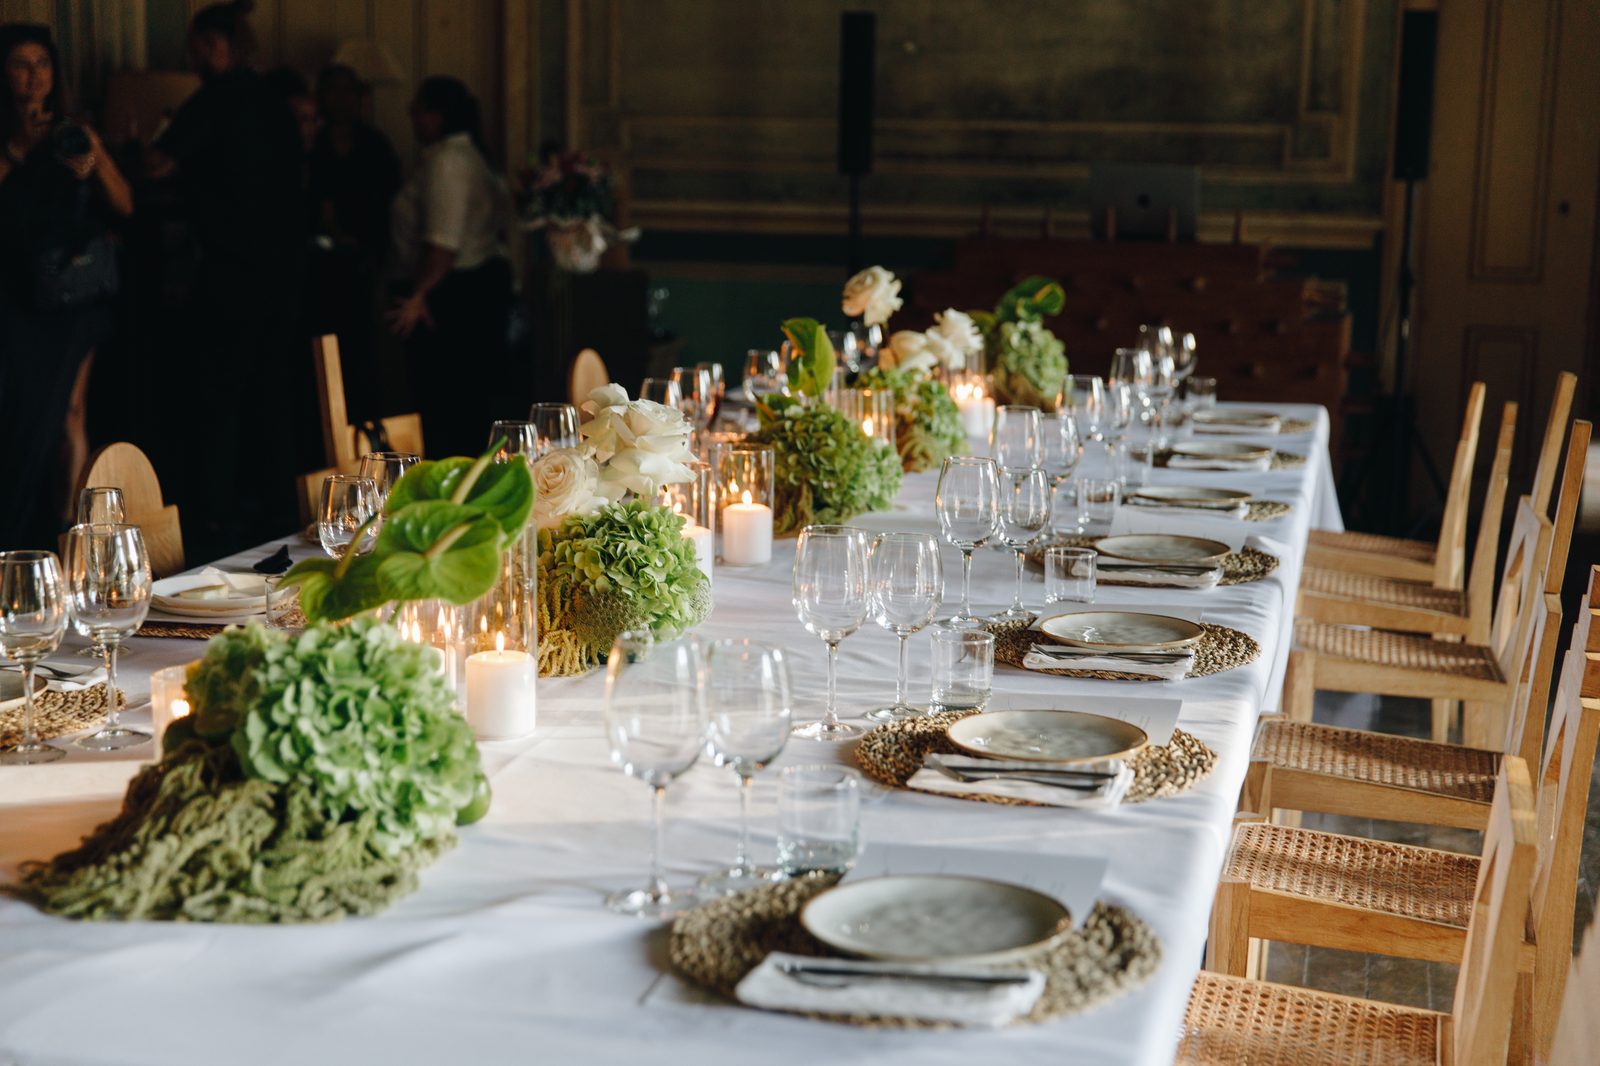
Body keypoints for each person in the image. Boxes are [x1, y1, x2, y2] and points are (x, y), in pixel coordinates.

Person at [146, 0, 307, 558]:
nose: (193, 56)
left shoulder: (215, 100)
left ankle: (215, 530)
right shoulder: (274, 104)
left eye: (199, 45)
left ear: (219, 46)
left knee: (218, 404)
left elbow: (159, 164)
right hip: (281, 275)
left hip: (231, 274)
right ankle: (277, 523)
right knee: (272, 401)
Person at [0, 22, 132, 548]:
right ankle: (20, 531)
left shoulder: (72, 131)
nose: (33, 77)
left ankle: (71, 532)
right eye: (20, 65)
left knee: (70, 413)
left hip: (75, 297)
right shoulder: (8, 141)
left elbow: (125, 205)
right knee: (21, 412)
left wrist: (90, 156)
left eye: (43, 64)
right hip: (18, 292)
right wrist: (18, 153)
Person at [388, 75, 515, 458]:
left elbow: (443, 242)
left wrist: (418, 295)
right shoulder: (466, 155)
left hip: (454, 297)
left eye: (418, 108)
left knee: (449, 408)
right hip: (467, 292)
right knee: (463, 406)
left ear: (437, 115)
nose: (411, 115)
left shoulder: (450, 162)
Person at [308, 64, 398, 424]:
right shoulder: (314, 143)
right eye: (332, 90)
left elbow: (388, 202)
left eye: (348, 91)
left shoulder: (374, 144)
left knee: (363, 355)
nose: (340, 100)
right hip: (318, 268)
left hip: (365, 263)